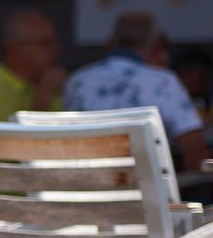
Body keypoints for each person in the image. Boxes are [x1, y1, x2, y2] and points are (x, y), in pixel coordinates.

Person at [66, 9, 208, 168]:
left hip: (85, 188)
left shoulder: (77, 81)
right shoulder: (162, 81)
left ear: (110, 43)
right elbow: (196, 154)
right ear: (157, 47)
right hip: (147, 190)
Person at [0, 10, 64, 123]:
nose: (55, 49)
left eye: (55, 42)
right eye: (44, 43)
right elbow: (14, 140)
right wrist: (44, 97)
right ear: (14, 47)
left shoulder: (54, 83)